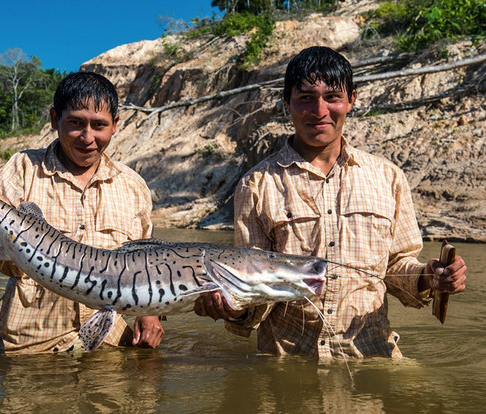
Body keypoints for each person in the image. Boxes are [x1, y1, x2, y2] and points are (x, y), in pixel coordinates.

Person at [194, 46, 467, 359]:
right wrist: (229, 307)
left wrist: (429, 277)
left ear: (351, 99)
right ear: (288, 103)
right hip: (288, 364)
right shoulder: (257, 184)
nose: (319, 110)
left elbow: (394, 267)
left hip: (373, 357)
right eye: (306, 98)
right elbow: (255, 285)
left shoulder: (388, 177)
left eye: (332, 97)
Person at [0, 71, 164, 354]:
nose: (87, 137)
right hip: (28, 345)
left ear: (115, 125)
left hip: (108, 345)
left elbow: (143, 265)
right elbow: (7, 263)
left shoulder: (134, 186)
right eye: (75, 123)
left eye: (99, 125)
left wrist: (150, 312)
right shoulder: (23, 168)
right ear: (55, 119)